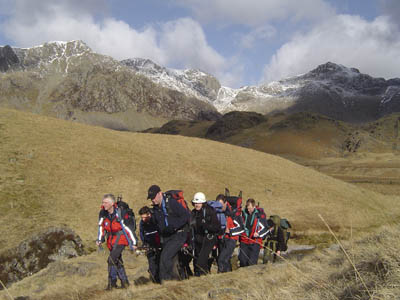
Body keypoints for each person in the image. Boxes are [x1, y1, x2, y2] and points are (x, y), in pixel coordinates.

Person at [147, 185, 190, 283]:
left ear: (159, 194)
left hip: (179, 235)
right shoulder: (156, 209)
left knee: (165, 258)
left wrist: (174, 226)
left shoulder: (171, 203)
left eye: (153, 197)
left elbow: (186, 216)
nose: (152, 200)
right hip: (167, 237)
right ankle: (176, 282)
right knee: (172, 261)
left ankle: (165, 283)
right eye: (151, 198)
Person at [97, 194, 137, 290]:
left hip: (121, 239)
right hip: (110, 240)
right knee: (117, 261)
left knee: (111, 260)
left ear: (112, 203)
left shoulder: (120, 213)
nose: (103, 204)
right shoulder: (103, 214)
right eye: (103, 202)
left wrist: (133, 243)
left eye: (105, 202)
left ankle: (111, 283)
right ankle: (125, 282)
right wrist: (99, 239)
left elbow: (129, 229)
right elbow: (101, 227)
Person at [190, 192, 221, 276]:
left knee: (201, 262)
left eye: (198, 202)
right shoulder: (193, 213)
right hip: (197, 240)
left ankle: (204, 277)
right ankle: (199, 277)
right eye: (195, 203)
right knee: (196, 261)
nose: (197, 204)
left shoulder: (210, 211)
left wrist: (206, 226)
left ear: (203, 202)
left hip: (209, 239)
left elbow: (217, 227)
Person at [215, 194, 244, 273]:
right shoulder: (219, 212)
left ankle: (219, 277)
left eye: (221, 205)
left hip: (231, 239)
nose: (219, 207)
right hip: (222, 238)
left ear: (225, 203)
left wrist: (230, 231)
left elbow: (241, 228)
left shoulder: (233, 213)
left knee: (222, 259)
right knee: (225, 260)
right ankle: (227, 276)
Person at [238, 198, 269, 267]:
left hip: (255, 242)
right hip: (244, 241)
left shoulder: (260, 216)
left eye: (250, 208)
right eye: (247, 208)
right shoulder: (242, 214)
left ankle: (252, 276)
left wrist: (258, 234)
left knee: (252, 263)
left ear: (254, 206)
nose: (249, 210)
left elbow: (266, 229)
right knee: (242, 261)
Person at [139, 206, 161, 283]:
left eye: (144, 217)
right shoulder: (142, 223)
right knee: (152, 266)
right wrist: (145, 244)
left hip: (159, 245)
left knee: (160, 264)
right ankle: (155, 282)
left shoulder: (156, 220)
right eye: (142, 218)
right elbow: (142, 234)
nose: (143, 219)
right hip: (149, 246)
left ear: (149, 214)